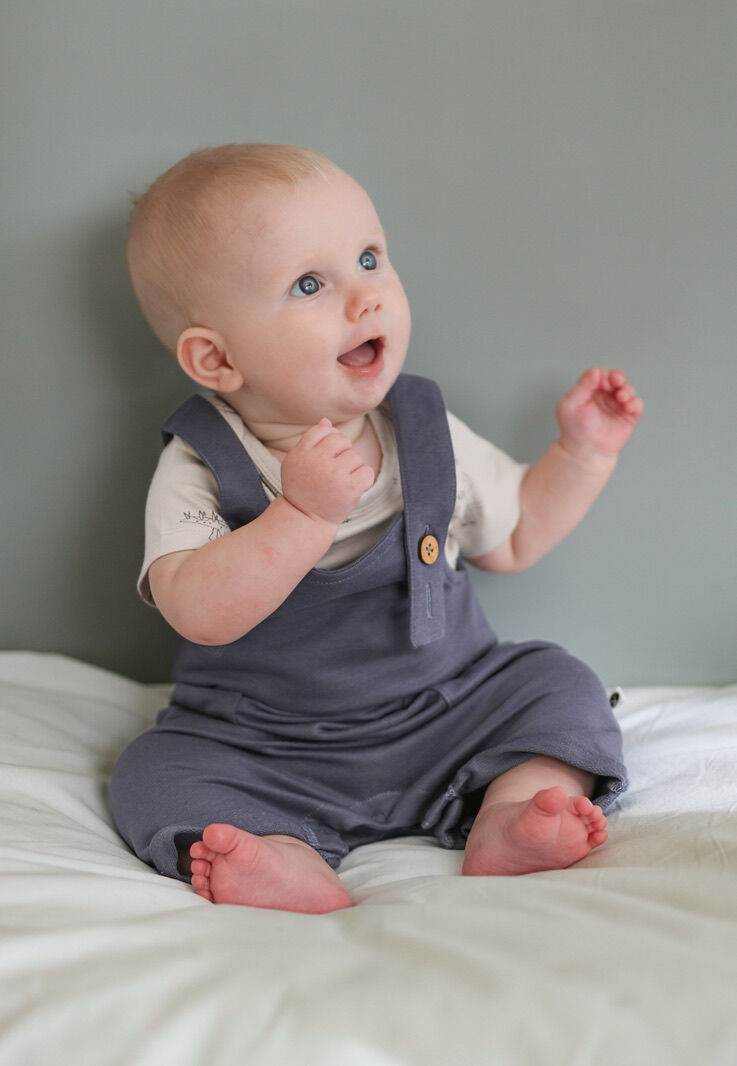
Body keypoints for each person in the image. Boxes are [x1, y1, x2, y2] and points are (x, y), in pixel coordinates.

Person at [110, 143, 643, 914]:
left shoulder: (421, 428)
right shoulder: (203, 462)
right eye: (308, 283)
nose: (365, 298)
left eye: (368, 258)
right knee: (149, 773)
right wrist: (299, 515)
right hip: (262, 744)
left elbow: (515, 538)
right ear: (216, 359)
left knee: (557, 684)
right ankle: (281, 856)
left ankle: (510, 813)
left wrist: (581, 452)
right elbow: (198, 608)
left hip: (447, 711)